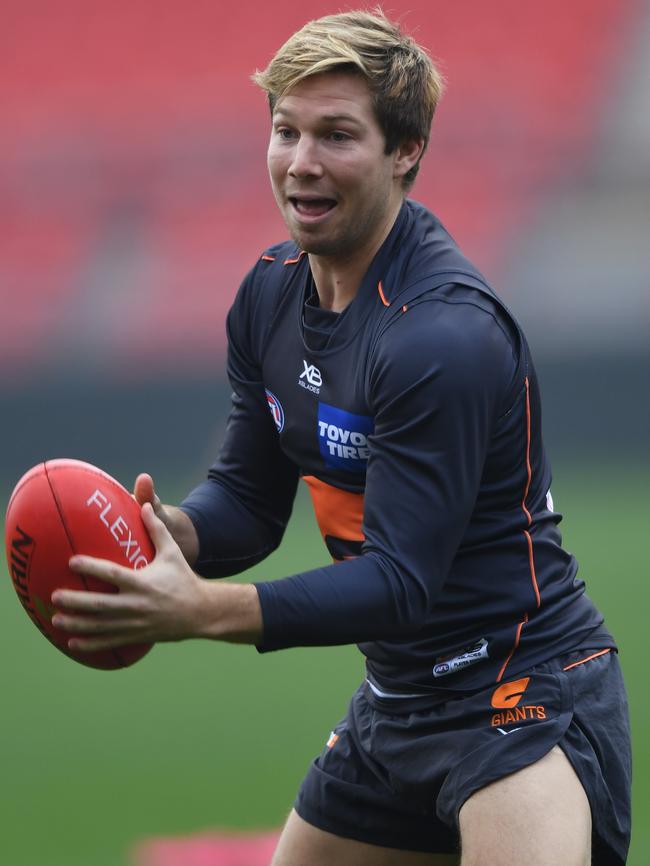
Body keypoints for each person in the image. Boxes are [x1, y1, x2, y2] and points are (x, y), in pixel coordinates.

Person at [50, 10, 631, 866]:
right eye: (286, 130)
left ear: (406, 152)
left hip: (517, 699)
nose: (302, 162)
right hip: (395, 703)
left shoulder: (442, 336)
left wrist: (201, 611)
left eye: (337, 135)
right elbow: (249, 497)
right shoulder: (269, 294)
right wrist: (178, 534)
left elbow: (400, 585)